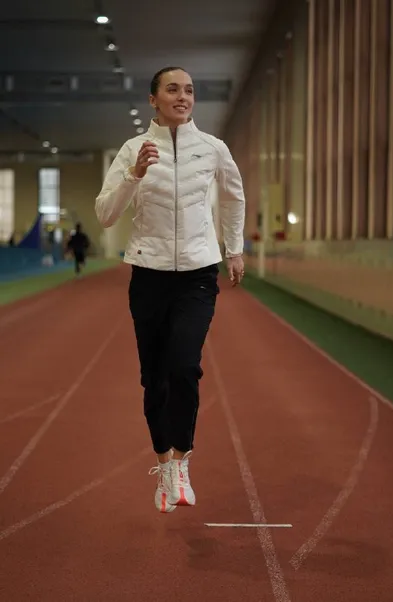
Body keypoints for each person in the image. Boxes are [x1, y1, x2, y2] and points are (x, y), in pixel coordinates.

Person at [95, 66, 245, 513]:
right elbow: (105, 214)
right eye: (173, 89)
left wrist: (234, 249)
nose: (183, 97)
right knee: (154, 377)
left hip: (198, 273)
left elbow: (233, 196)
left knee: (184, 365)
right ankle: (163, 463)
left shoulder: (212, 148)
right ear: (153, 99)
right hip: (149, 273)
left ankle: (181, 461)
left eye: (190, 90)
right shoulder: (133, 150)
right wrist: (134, 174)